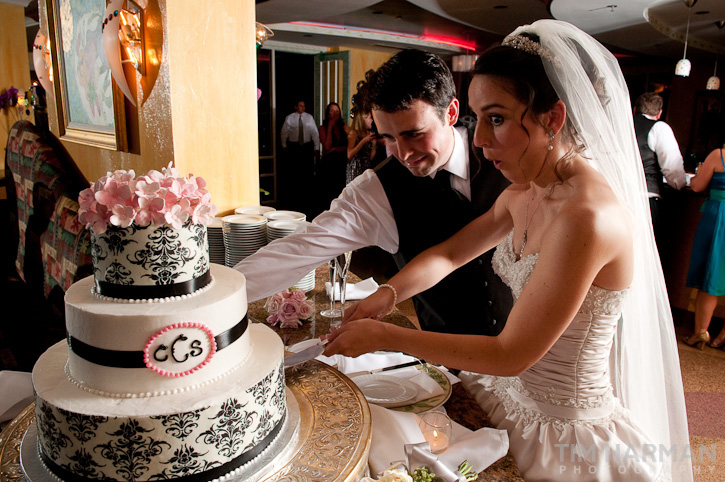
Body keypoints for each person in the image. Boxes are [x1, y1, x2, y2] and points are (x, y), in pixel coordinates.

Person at [326, 20, 691, 481]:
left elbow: (512, 353)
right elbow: (450, 254)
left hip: (563, 433)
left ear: (553, 118)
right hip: (508, 398)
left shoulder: (588, 217)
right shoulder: (527, 192)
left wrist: (387, 337)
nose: (478, 140)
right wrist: (389, 294)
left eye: (496, 119)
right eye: (478, 120)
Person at [235, 49, 512, 335]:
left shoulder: (508, 151)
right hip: (449, 357)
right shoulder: (378, 189)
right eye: (388, 137)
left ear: (451, 112)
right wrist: (215, 296)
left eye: (414, 133)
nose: (403, 154)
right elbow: (298, 251)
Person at [683, 146, 725, 350]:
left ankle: (700, 332)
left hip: (717, 217)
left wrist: (692, 179)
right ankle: (722, 335)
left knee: (711, 274)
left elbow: (698, 186)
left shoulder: (719, 155)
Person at [633, 92, 688, 243]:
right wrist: (683, 183)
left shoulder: (621, 126)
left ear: (634, 109)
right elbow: (673, 172)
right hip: (646, 201)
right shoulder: (659, 128)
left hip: (616, 198)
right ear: (659, 113)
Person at [278, 99, 320, 213]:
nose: (303, 108)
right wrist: (284, 145)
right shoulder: (290, 118)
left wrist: (317, 147)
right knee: (294, 173)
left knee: (306, 173)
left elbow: (314, 133)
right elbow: (284, 132)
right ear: (296, 107)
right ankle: (294, 201)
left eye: (304, 106)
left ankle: (306, 200)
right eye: (300, 106)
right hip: (294, 147)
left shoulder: (309, 118)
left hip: (306, 147)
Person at [316, 102, 349, 213]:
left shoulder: (344, 127)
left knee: (340, 191)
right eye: (332, 111)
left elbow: (349, 146)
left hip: (341, 162)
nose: (335, 114)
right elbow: (326, 147)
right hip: (328, 163)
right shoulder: (322, 128)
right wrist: (330, 127)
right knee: (327, 193)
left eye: (337, 111)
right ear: (327, 113)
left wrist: (336, 149)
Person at [346, 81, 377, 184]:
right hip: (355, 170)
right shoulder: (354, 133)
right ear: (362, 119)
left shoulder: (369, 133)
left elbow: (370, 158)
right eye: (369, 118)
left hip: (366, 169)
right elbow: (349, 155)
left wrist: (374, 145)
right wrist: (364, 141)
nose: (371, 120)